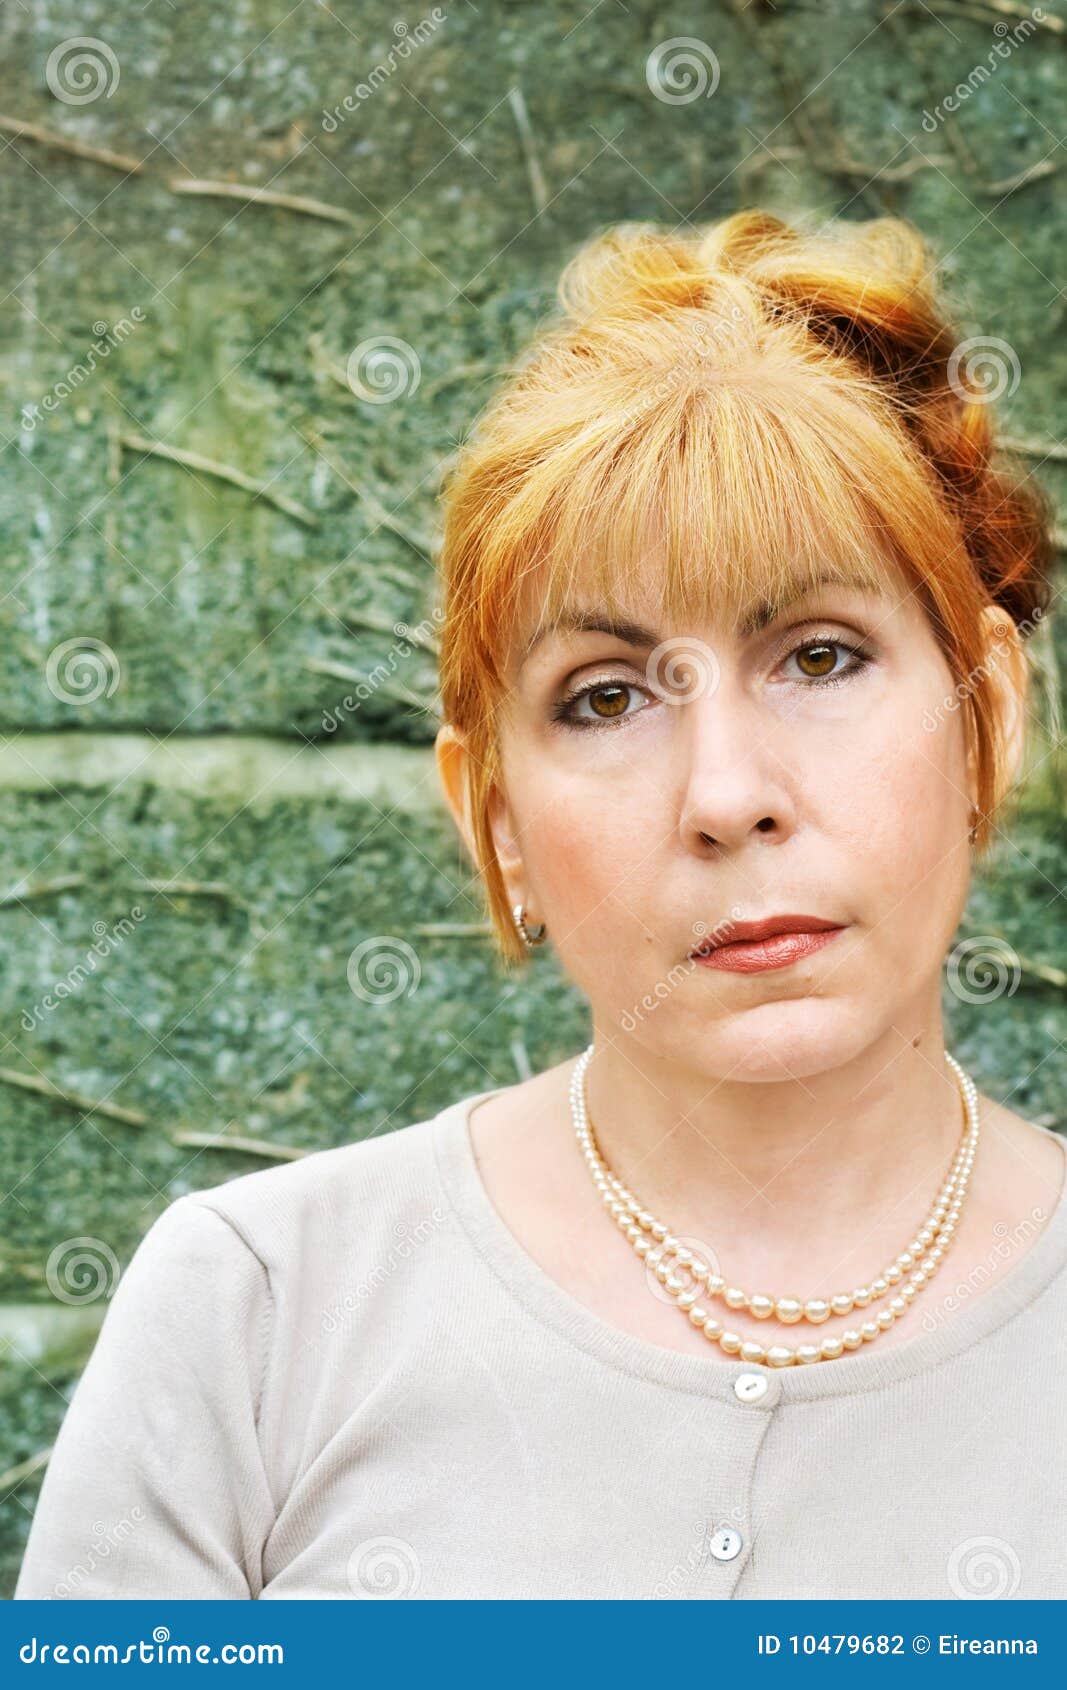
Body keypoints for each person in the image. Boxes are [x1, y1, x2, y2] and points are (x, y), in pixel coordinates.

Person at [15, 211, 1065, 1602]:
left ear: (987, 710)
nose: (727, 792)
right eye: (608, 695)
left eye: (819, 654)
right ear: (495, 819)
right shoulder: (255, 1312)